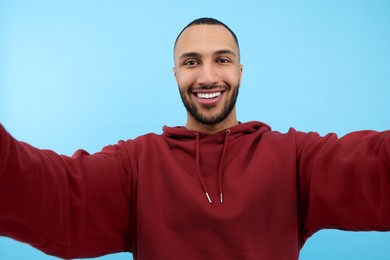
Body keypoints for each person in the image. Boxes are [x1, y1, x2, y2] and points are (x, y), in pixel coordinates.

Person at [0, 17, 390, 260]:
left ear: (240, 71)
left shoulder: (293, 156)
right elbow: (60, 196)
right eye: (191, 62)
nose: (206, 77)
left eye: (221, 60)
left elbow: (372, 169)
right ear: (175, 74)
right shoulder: (137, 162)